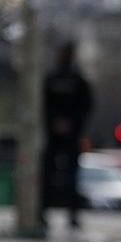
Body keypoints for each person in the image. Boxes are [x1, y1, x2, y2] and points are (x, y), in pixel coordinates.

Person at [41, 41, 93, 230]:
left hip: (70, 135)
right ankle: (44, 211)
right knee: (49, 174)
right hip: (57, 134)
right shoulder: (54, 77)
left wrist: (71, 125)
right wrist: (55, 123)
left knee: (71, 176)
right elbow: (44, 105)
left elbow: (85, 107)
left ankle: (71, 214)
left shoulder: (77, 80)